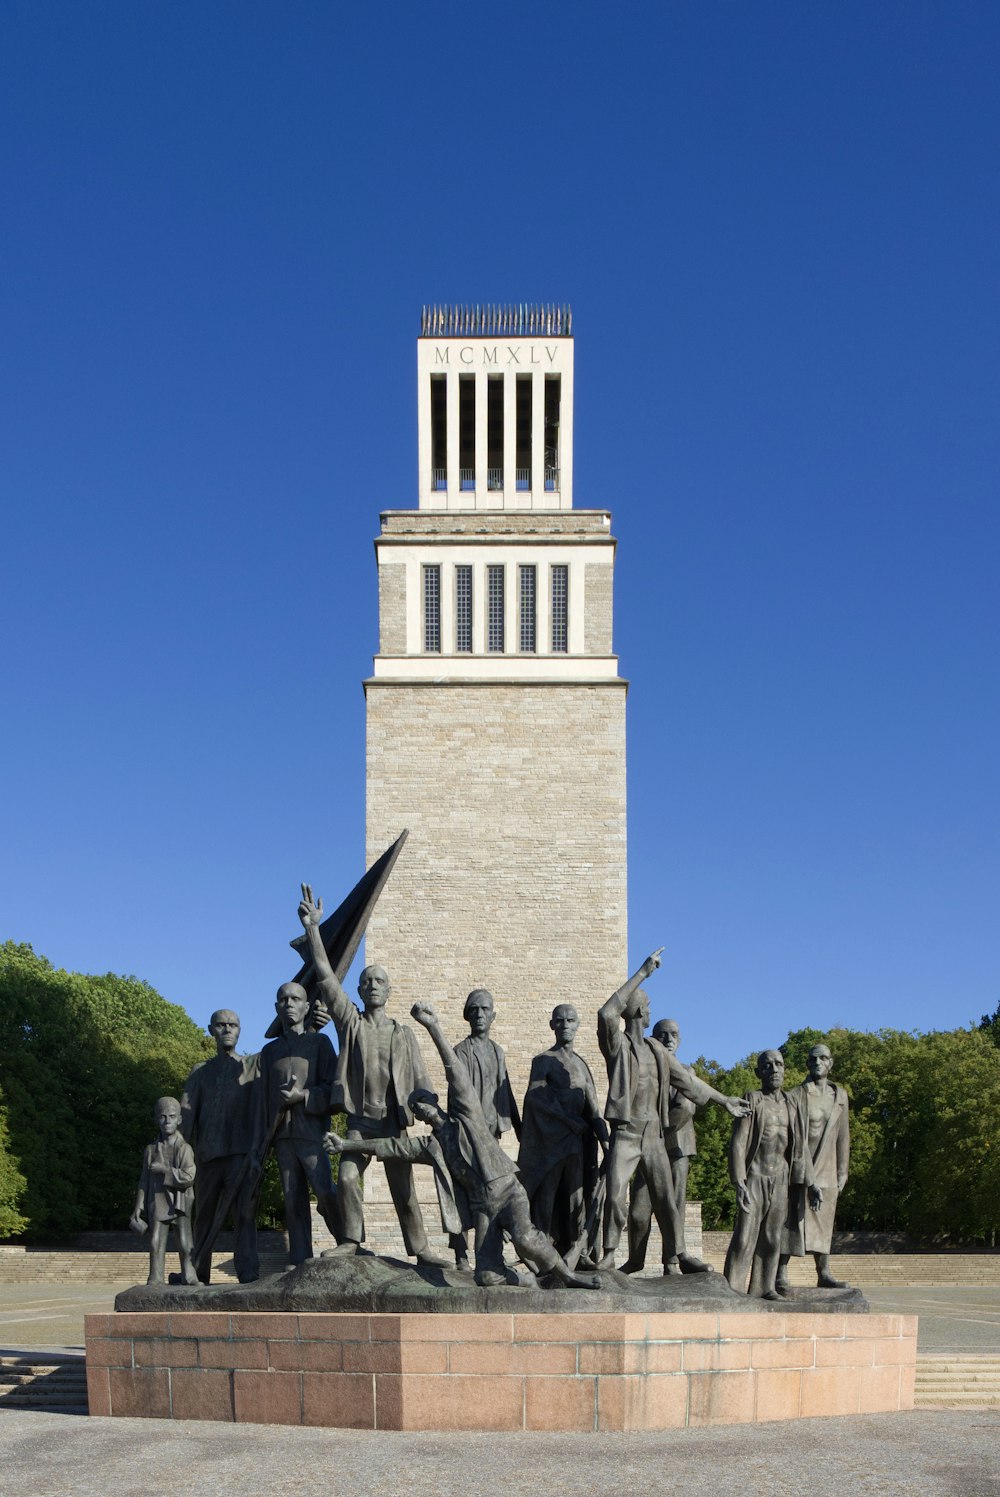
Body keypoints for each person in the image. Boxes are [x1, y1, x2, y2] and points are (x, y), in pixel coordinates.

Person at [325, 1002, 601, 1290]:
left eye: (426, 1105)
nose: (424, 1112)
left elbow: (455, 1071)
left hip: (507, 1192)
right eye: (418, 1112)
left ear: (436, 1103)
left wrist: (433, 1028)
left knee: (525, 1237)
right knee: (485, 1276)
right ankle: (527, 1280)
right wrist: (345, 1144)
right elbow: (390, 1146)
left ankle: (570, 1277)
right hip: (484, 1206)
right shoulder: (432, 1145)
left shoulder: (468, 1115)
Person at [297, 884, 446, 1266]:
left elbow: (422, 1081)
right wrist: (314, 930)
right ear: (360, 990)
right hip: (360, 1123)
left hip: (393, 1123)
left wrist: (432, 1111)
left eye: (380, 981)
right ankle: (351, 1240)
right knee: (347, 1178)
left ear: (389, 990)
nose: (374, 986)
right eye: (368, 981)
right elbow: (328, 981)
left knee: (404, 1190)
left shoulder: (403, 1033)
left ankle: (422, 1250)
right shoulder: (351, 1024)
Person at [598, 950, 749, 1271]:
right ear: (638, 1009)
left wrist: (724, 1100)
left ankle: (680, 1255)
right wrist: (643, 972)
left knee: (666, 1199)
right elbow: (607, 1012)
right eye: (648, 1006)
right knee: (614, 1196)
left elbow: (689, 1083)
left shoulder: (656, 1050)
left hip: (653, 1135)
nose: (651, 1010)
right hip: (626, 1132)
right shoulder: (618, 1046)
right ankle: (609, 1252)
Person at [256, 956, 341, 1266]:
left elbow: (333, 1088)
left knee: (325, 1191)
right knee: (292, 1200)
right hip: (281, 1135)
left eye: (296, 999)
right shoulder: (270, 1051)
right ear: (277, 1008)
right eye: (283, 999)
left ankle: (347, 1244)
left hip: (311, 1131)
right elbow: (263, 1101)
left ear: (307, 1007)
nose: (289, 1003)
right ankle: (300, 1257)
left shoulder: (320, 1044)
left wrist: (302, 1096)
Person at [723, 1049, 819, 1299]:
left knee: (772, 1237)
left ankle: (764, 1288)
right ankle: (731, 1290)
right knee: (744, 1236)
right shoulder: (752, 1099)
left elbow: (801, 1147)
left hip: (781, 1178)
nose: (774, 1069)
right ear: (759, 1072)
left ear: (785, 1070)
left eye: (779, 1064)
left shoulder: (791, 1104)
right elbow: (738, 1143)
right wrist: (739, 1181)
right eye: (767, 1065)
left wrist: (811, 1182)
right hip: (755, 1176)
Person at [518, 1003, 608, 1260]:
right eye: (560, 1020)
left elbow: (594, 1111)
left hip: (578, 1142)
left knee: (576, 1197)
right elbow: (534, 1096)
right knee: (546, 1196)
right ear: (552, 1025)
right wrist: (567, 1119)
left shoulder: (581, 1065)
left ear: (578, 1025)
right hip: (550, 1141)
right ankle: (543, 1251)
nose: (565, 1025)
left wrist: (606, 1143)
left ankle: (576, 1253)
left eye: (570, 1020)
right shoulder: (544, 1061)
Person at [622, 1018, 710, 1275]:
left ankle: (671, 1262)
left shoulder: (686, 1071)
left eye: (673, 1035)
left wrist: (657, 1134)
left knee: (675, 1206)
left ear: (679, 1040)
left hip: (676, 1147)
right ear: (654, 1038)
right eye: (662, 1035)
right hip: (646, 1146)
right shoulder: (645, 1068)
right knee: (639, 1209)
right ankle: (635, 1260)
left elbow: (685, 1108)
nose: (668, 1040)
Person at [180, 1009, 260, 1284]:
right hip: (209, 1155)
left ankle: (248, 1273)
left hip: (241, 1155)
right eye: (221, 1025)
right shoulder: (200, 1072)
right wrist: (179, 1153)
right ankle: (197, 1271)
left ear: (240, 1030)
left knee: (244, 1215)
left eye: (233, 1025)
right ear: (211, 1030)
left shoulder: (251, 1068)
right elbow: (186, 1114)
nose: (227, 1029)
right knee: (203, 1214)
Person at [449, 988, 520, 1270]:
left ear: (493, 1015)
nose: (479, 1014)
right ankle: (460, 1253)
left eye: (485, 1009)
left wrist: (520, 1127)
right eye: (474, 1009)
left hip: (491, 1137)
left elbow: (507, 1090)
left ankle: (491, 1256)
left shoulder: (497, 1051)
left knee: (493, 1195)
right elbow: (458, 1094)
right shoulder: (460, 1051)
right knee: (462, 1193)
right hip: (466, 1136)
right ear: (467, 1015)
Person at [777, 1043, 850, 1291]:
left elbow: (843, 1136)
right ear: (807, 1064)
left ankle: (824, 1272)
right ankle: (780, 1273)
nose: (818, 1062)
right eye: (813, 1059)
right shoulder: (795, 1095)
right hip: (799, 1165)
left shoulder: (840, 1096)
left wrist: (843, 1171)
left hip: (828, 1169)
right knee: (792, 1220)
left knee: (824, 1221)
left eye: (823, 1058)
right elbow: (795, 1137)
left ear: (831, 1063)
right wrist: (808, 1176)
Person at [130, 1096, 199, 1286]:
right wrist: (138, 1206)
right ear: (156, 1119)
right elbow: (144, 1179)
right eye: (162, 1117)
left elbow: (189, 1176)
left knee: (185, 1241)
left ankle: (189, 1274)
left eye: (171, 1116)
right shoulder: (150, 1150)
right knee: (155, 1240)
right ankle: (156, 1276)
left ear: (179, 1119)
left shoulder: (185, 1148)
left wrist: (164, 1171)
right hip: (157, 1198)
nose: (167, 1121)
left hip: (181, 1199)